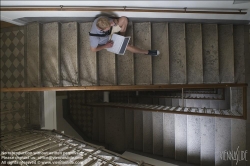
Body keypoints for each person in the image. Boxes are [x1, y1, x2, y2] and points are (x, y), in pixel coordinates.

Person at [89, 16, 160, 56]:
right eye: (107, 28)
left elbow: (115, 21)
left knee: (124, 19)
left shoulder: (101, 19)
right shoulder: (94, 38)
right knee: (127, 46)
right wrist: (105, 46)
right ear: (101, 29)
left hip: (110, 32)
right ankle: (146, 52)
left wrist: (114, 22)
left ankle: (121, 38)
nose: (109, 27)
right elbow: (93, 50)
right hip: (107, 41)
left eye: (109, 25)